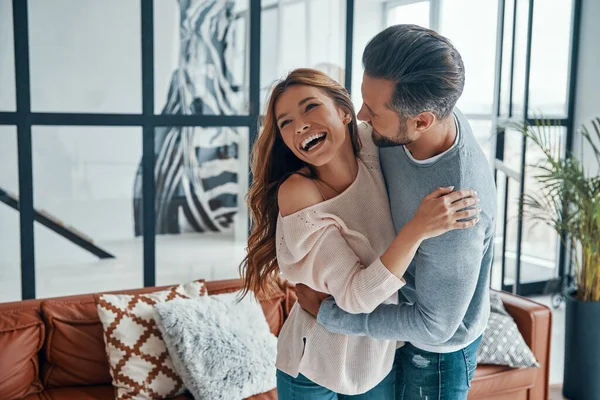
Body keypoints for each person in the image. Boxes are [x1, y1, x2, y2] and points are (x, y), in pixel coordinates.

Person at [239, 68, 480, 399]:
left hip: (377, 360)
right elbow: (357, 296)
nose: (301, 125)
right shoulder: (300, 191)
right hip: (314, 365)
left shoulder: (373, 146)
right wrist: (418, 228)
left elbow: (418, 118)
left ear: (343, 110)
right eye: (286, 123)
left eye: (310, 107)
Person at [294, 25, 497, 400]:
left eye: (373, 110)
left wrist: (333, 314)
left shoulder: (456, 211)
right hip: (393, 323)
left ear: (422, 121)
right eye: (362, 99)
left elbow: (435, 327)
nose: (361, 115)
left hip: (435, 357)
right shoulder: (418, 109)